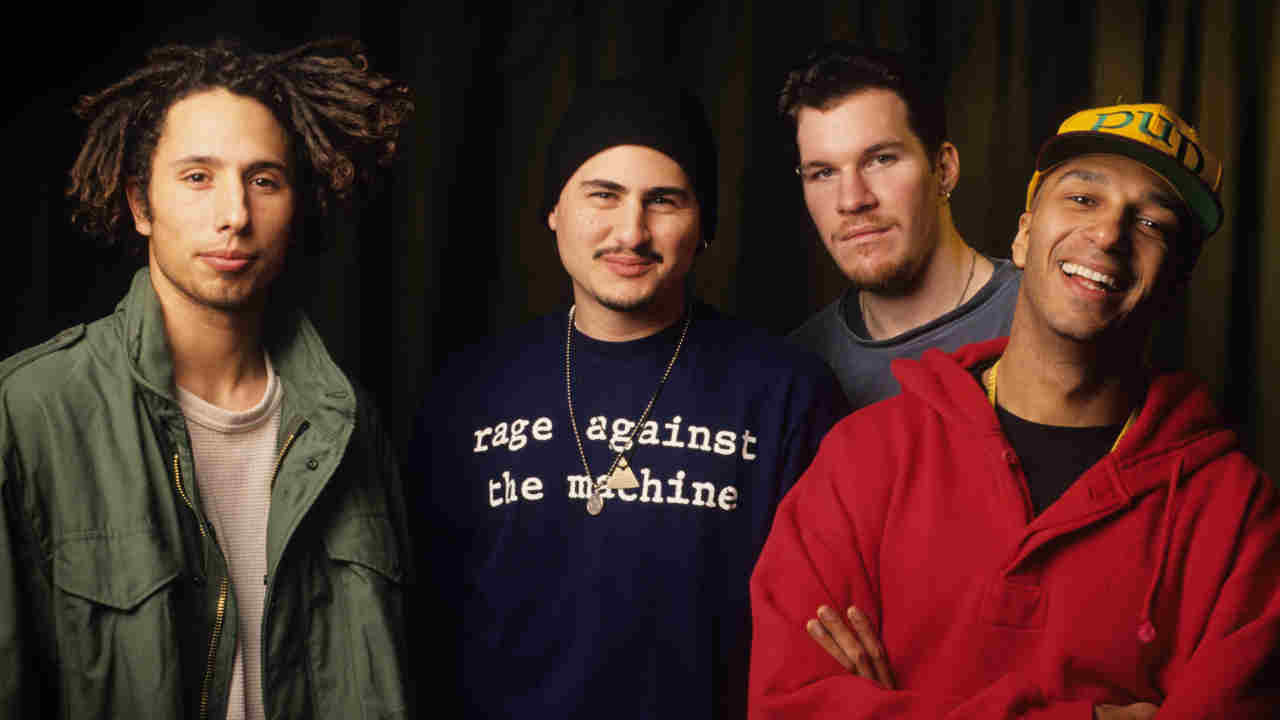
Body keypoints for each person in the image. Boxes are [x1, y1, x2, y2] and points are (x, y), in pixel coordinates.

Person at [750, 102, 1280, 719]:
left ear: (1179, 277)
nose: (1109, 234)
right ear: (1025, 233)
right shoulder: (864, 459)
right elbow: (789, 705)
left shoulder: (1237, 514)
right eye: (1084, 199)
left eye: (1153, 224)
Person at [0, 38, 414, 719]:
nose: (234, 216)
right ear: (140, 204)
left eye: (263, 180)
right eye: (198, 177)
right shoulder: (34, 410)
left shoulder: (346, 422)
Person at [411, 78, 848, 718]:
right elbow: (423, 628)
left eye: (663, 201)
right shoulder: (467, 392)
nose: (631, 232)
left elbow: (820, 640)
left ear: (703, 225)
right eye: (603, 196)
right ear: (555, 210)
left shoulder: (787, 392)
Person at [783, 44, 1021, 409]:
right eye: (824, 172)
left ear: (943, 169)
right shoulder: (797, 369)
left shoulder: (1037, 320)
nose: (852, 200)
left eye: (880, 159)